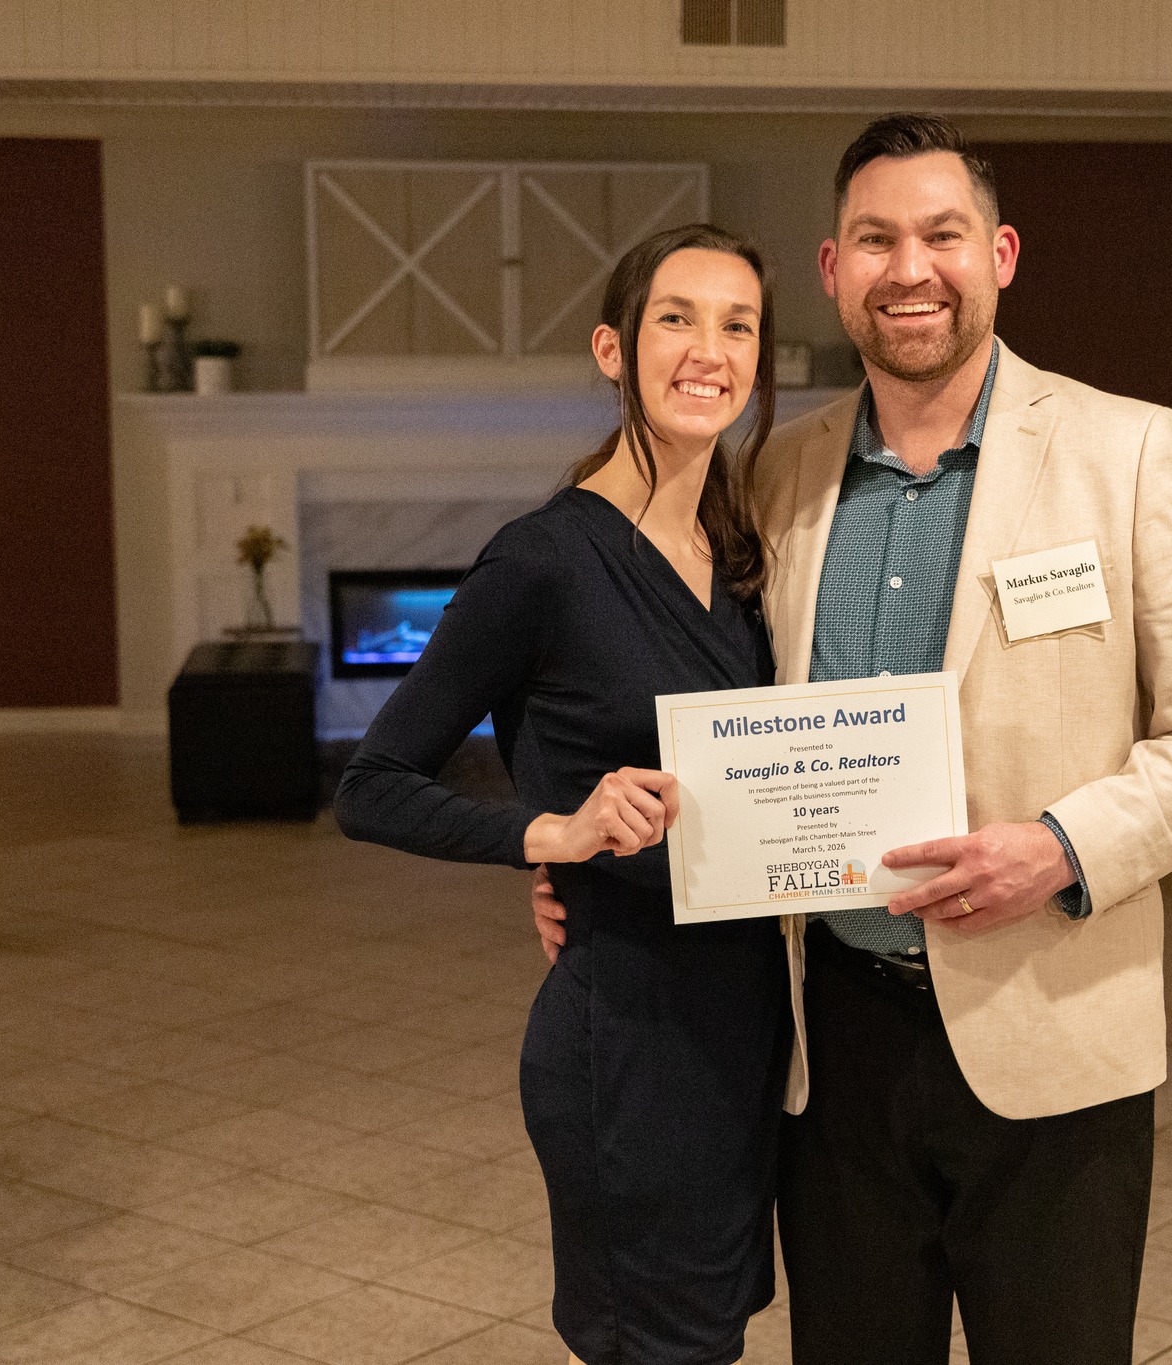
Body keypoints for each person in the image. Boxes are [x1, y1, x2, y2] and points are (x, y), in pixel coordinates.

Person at [537, 115, 1172, 1365]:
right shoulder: (775, 472)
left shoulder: (1123, 448)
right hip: (830, 1050)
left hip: (1053, 1028)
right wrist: (563, 842)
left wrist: (1056, 847)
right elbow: (661, 695)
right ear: (832, 272)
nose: (909, 268)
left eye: (941, 235)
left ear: (996, 254)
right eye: (873, 239)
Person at [337, 224, 788, 1365]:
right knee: (656, 1342)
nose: (708, 349)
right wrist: (553, 833)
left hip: (743, 1025)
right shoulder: (539, 560)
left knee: (711, 1333)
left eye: (737, 325)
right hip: (628, 1041)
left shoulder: (736, 551)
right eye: (675, 318)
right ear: (611, 348)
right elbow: (372, 785)